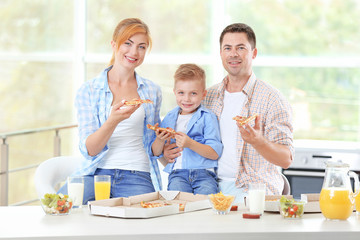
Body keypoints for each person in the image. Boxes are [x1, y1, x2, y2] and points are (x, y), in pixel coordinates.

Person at [163, 23, 293, 202]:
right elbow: (182, 146)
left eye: (241, 48)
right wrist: (168, 154)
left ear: (253, 53)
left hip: (252, 189)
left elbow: (286, 159)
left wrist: (258, 141)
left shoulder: (272, 99)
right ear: (221, 53)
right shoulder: (207, 97)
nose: (233, 54)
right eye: (227, 48)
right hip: (208, 183)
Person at [59, 18, 162, 204]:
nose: (134, 52)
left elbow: (155, 144)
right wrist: (112, 120)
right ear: (114, 44)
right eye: (128, 44)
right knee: (57, 206)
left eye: (141, 47)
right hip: (96, 173)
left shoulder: (152, 91)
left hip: (137, 173)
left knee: (145, 225)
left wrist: (165, 145)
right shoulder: (89, 90)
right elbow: (90, 150)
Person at [151, 64, 222, 195]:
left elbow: (214, 153)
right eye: (181, 93)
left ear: (203, 94)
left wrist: (190, 144)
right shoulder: (170, 117)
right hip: (178, 175)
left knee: (205, 207)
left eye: (193, 93)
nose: (187, 99)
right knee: (179, 206)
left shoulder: (208, 117)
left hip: (204, 174)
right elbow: (156, 153)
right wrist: (159, 140)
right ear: (175, 92)